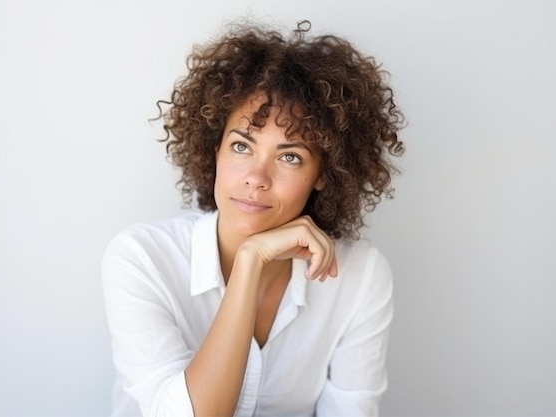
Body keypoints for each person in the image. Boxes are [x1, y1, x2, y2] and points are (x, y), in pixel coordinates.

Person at [102, 19, 404, 417]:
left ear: (322, 176)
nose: (257, 179)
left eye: (289, 157)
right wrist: (250, 262)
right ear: (215, 151)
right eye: (242, 146)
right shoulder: (141, 259)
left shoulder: (360, 276)